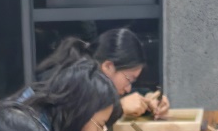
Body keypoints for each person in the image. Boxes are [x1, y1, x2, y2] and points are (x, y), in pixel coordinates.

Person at [37, 27, 170, 120]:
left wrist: (149, 99)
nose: (128, 88)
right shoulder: (74, 83)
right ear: (108, 66)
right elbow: (79, 125)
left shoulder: (93, 73)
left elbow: (129, 93)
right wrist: (119, 108)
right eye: (129, 79)